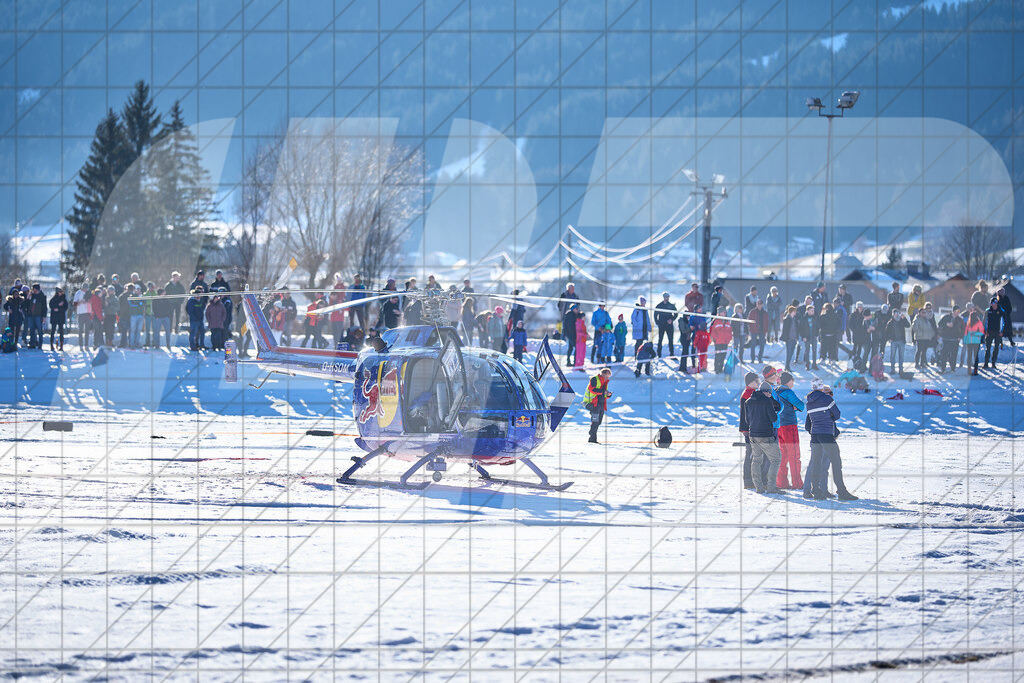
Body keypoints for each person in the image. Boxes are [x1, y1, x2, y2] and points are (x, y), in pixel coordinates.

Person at [803, 378, 857, 501]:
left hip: (815, 435)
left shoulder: (809, 402)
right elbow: (837, 414)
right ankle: (842, 492)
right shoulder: (827, 399)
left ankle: (816, 491)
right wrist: (828, 415)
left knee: (816, 463)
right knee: (836, 462)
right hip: (826, 433)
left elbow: (811, 420)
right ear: (821, 387)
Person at [744, 381, 783, 495]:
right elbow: (774, 418)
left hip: (753, 435)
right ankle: (771, 487)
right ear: (767, 392)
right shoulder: (767, 401)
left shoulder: (748, 401)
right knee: (776, 459)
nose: (771, 395)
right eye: (770, 393)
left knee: (756, 460)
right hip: (766, 435)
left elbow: (747, 420)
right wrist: (770, 402)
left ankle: (759, 487)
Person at [775, 371, 805, 489]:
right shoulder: (788, 391)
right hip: (790, 426)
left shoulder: (775, 391)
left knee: (783, 455)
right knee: (794, 455)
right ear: (789, 381)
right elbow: (801, 405)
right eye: (793, 380)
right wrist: (795, 407)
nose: (793, 383)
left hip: (779, 425)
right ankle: (797, 483)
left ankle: (781, 482)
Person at [738, 371, 760, 489]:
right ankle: (748, 480)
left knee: (752, 453)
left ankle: (750, 479)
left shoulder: (751, 392)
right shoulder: (749, 393)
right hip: (749, 428)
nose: (758, 383)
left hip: (748, 427)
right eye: (757, 381)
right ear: (751, 382)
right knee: (750, 454)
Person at [583, 367, 613, 444]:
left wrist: (608, 394)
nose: (607, 378)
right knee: (595, 422)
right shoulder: (594, 379)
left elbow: (603, 394)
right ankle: (592, 439)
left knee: (598, 422)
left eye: (608, 377)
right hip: (592, 403)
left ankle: (592, 435)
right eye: (606, 376)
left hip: (600, 404)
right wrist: (604, 392)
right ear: (602, 374)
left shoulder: (605, 382)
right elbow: (592, 389)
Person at [631, 298, 652, 377]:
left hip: (644, 330)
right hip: (639, 330)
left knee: (644, 345)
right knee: (638, 343)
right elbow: (633, 318)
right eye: (642, 301)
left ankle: (644, 357)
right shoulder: (637, 309)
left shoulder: (645, 310)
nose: (643, 303)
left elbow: (647, 319)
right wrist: (636, 325)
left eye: (644, 301)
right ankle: (637, 356)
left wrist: (649, 327)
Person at [886, 309, 910, 375]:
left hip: (901, 341)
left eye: (897, 313)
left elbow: (908, 325)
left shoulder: (902, 321)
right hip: (893, 341)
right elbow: (887, 332)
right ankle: (892, 369)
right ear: (893, 314)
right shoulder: (890, 322)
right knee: (892, 356)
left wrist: (904, 318)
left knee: (901, 356)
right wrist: (889, 338)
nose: (896, 314)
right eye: (895, 313)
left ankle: (901, 370)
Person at [24, 283, 47, 349]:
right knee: (32, 330)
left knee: (40, 330)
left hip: (38, 315)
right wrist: (28, 298)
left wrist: (44, 316)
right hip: (31, 315)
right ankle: (32, 343)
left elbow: (44, 307)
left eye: (35, 290)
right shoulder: (31, 296)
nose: (34, 291)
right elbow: (26, 304)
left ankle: (40, 344)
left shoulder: (42, 296)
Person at [654, 293, 677, 357]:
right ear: (663, 297)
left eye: (667, 297)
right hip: (661, 325)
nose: (666, 298)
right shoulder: (659, 305)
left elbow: (676, 314)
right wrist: (657, 322)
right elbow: (655, 314)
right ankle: (659, 354)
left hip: (669, 325)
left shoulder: (671, 306)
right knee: (660, 339)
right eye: (665, 297)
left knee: (670, 340)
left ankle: (671, 353)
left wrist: (672, 319)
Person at [983, 297, 1003, 368]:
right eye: (992, 303)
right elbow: (984, 322)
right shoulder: (987, 311)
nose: (993, 305)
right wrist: (985, 331)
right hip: (989, 332)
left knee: (996, 347)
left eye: (994, 303)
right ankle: (986, 363)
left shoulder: (1000, 311)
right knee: (988, 348)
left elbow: (1002, 322)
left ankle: (993, 363)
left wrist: (1001, 331)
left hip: (997, 332)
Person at [689, 305, 709, 373]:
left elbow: (705, 326)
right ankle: (693, 365)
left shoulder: (702, 316)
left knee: (702, 352)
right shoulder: (693, 316)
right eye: (699, 308)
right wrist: (695, 327)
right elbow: (691, 326)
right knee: (693, 350)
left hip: (702, 337)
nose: (701, 309)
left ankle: (702, 366)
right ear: (696, 309)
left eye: (701, 308)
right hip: (695, 335)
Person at [964, 311, 984, 375]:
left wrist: (974, 334)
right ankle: (969, 370)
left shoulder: (979, 323)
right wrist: (965, 340)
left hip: (976, 341)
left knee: (975, 356)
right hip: (969, 342)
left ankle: (975, 370)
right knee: (969, 356)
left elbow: (982, 332)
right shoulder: (968, 323)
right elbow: (966, 332)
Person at [748, 298, 769, 363]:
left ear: (762, 304)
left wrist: (766, 330)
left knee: (762, 345)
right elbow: (749, 321)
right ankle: (752, 359)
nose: (759, 305)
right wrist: (751, 328)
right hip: (754, 330)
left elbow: (767, 322)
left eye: (760, 304)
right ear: (756, 304)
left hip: (762, 330)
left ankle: (760, 358)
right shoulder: (752, 312)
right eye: (758, 304)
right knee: (753, 345)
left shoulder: (765, 313)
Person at [48, 286, 67, 351]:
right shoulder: (53, 299)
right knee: (53, 331)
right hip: (54, 317)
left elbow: (65, 307)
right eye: (59, 292)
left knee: (61, 331)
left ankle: (61, 345)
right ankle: (51, 345)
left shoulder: (64, 299)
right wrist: (57, 306)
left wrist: (59, 308)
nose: (60, 293)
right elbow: (51, 305)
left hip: (61, 317)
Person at [781, 305, 799, 371]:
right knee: (789, 353)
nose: (795, 313)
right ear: (792, 311)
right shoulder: (787, 319)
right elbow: (785, 330)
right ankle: (787, 367)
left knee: (791, 353)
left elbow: (796, 329)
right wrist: (786, 338)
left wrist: (796, 337)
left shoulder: (794, 319)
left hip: (794, 338)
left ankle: (787, 366)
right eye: (794, 311)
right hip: (789, 339)